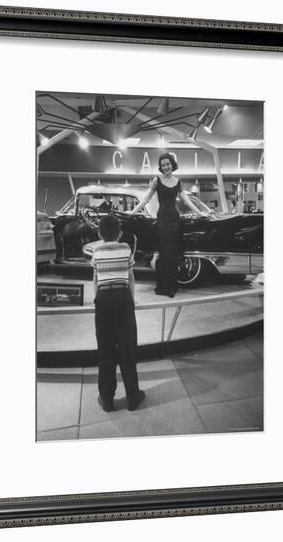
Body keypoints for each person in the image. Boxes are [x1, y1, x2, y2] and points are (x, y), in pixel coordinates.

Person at [129, 152, 204, 297]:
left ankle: (172, 286)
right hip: (162, 219)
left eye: (168, 164)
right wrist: (132, 212)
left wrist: (200, 213)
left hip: (175, 220)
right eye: (163, 165)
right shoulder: (156, 180)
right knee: (164, 253)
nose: (165, 167)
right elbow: (145, 200)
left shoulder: (178, 181)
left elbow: (187, 201)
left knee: (173, 253)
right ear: (160, 167)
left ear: (172, 164)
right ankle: (163, 287)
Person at [91, 215, 145, 412]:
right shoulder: (125, 248)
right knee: (127, 348)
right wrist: (131, 299)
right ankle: (133, 397)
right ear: (120, 233)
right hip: (122, 298)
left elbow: (95, 279)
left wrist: (98, 301)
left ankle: (107, 399)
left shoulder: (96, 250)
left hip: (104, 299)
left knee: (105, 350)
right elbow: (130, 277)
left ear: (99, 233)